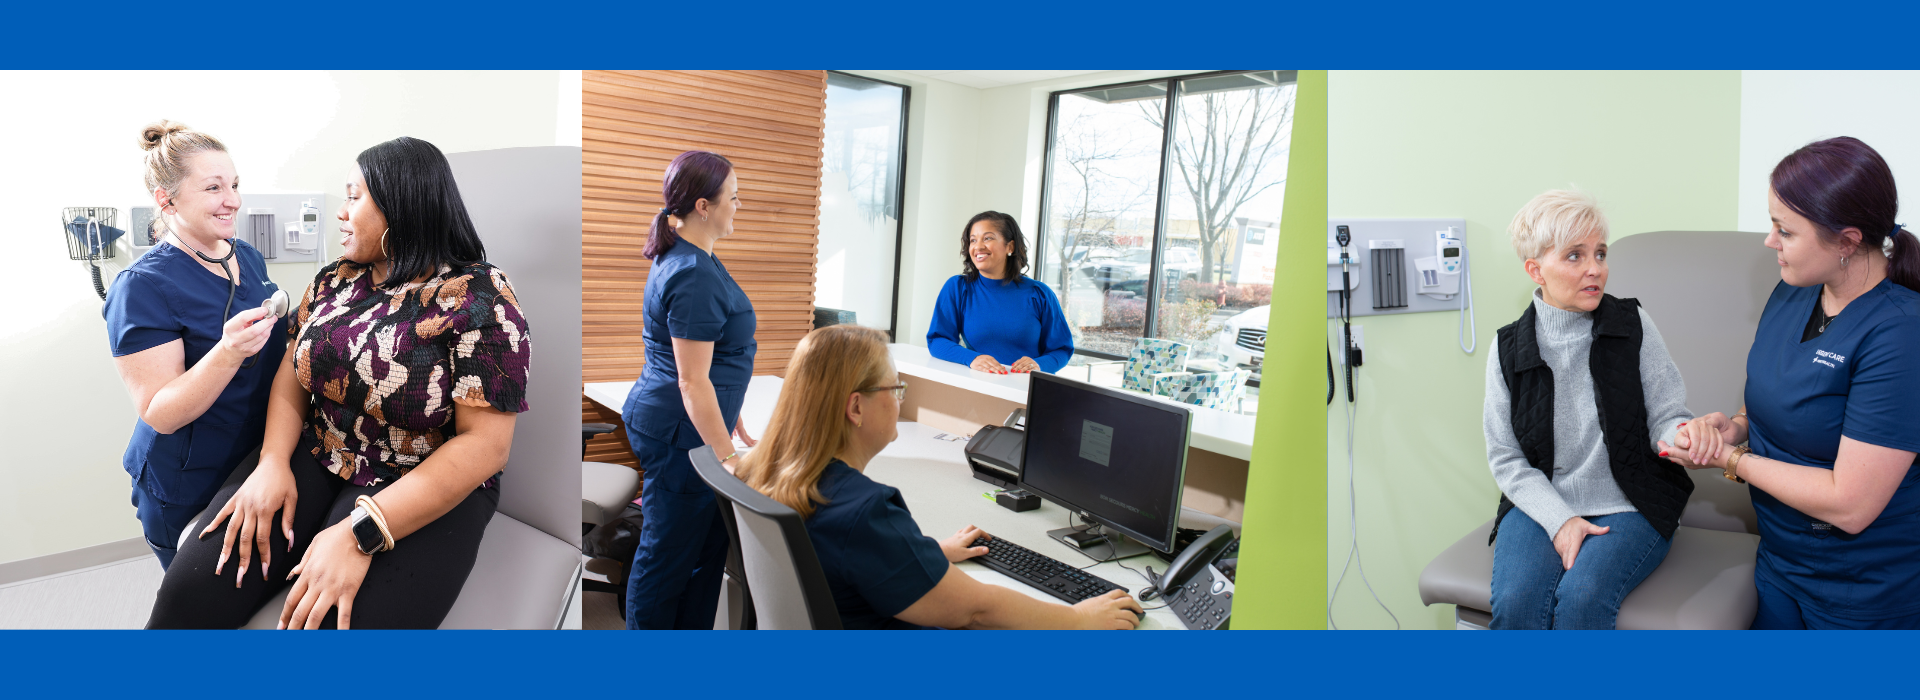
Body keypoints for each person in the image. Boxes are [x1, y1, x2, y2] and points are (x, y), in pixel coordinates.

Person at [146, 136, 531, 629]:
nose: (341, 214)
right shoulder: (336, 280)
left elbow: (485, 446)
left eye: (353, 197)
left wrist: (361, 532)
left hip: (419, 473)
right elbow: (294, 371)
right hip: (321, 451)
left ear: (401, 206)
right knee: (189, 595)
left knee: (329, 626)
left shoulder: (479, 298)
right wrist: (270, 463)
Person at [1665, 137, 1920, 629]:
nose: (1769, 242)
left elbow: (1851, 504)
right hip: (1780, 562)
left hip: (1865, 589)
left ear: (1846, 241)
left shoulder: (1901, 335)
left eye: (1785, 230)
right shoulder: (1792, 292)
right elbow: (1772, 395)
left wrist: (1730, 460)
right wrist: (1733, 427)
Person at [736, 324, 1141, 629]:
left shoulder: (763, 469)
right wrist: (1080, 619)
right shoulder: (863, 509)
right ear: (855, 408)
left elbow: (846, 554)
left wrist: (921, 553)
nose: (900, 401)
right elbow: (977, 608)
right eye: (895, 390)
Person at [1483, 190, 1694, 630]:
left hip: (1631, 501)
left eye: (1599, 253)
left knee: (1582, 601)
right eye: (1575, 256)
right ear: (1535, 270)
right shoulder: (1507, 348)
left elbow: (1666, 416)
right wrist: (1561, 521)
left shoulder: (1633, 324)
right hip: (1544, 500)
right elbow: (1506, 457)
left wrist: (1687, 436)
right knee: (1517, 602)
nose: (1595, 268)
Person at [106, 121, 286, 569]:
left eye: (235, 185)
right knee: (199, 608)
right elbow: (160, 411)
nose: (233, 200)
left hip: (251, 462)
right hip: (188, 479)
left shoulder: (243, 254)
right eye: (213, 188)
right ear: (166, 200)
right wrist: (227, 352)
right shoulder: (141, 287)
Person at [621, 150, 758, 629]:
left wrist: (731, 414)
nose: (738, 206)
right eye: (734, 198)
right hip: (681, 431)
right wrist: (726, 456)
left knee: (703, 551)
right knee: (668, 557)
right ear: (704, 206)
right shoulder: (693, 273)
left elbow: (712, 358)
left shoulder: (691, 255)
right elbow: (692, 378)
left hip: (688, 421)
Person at [927, 211, 1073, 374]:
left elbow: (1062, 349)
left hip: (1027, 391)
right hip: (977, 387)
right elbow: (937, 340)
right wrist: (971, 358)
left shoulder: (1039, 294)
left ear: (1010, 246)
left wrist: (1039, 365)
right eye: (973, 240)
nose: (978, 246)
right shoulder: (958, 288)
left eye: (987, 238)